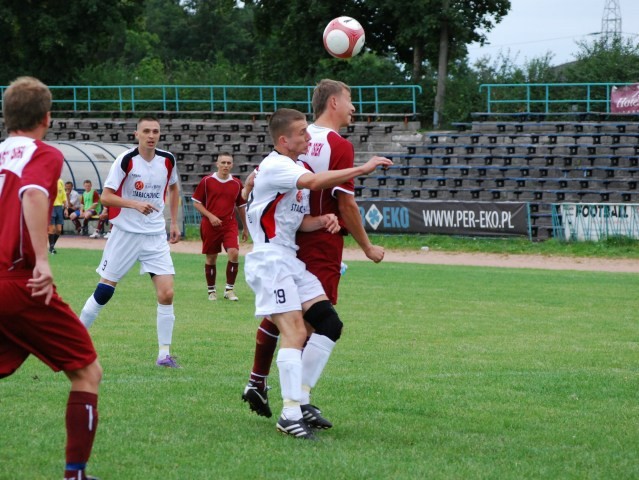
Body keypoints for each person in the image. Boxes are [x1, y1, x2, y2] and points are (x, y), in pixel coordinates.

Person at [242, 79, 388, 419]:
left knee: (311, 320)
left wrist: (321, 219)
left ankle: (260, 382)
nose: (354, 106)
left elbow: (278, 190)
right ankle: (295, 405)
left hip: (296, 242)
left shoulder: (300, 151)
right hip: (299, 250)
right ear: (334, 102)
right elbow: (343, 200)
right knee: (303, 327)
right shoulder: (333, 146)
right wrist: (365, 245)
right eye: (350, 98)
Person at [0, 76, 102, 480]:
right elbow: (35, 195)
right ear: (46, 117)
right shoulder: (42, 154)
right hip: (20, 282)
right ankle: (75, 475)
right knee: (86, 371)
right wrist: (42, 259)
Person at [79, 116, 182, 368]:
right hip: (125, 233)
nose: (151, 135)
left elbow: (175, 188)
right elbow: (105, 197)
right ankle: (75, 339)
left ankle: (164, 355)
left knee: (167, 293)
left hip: (155, 235)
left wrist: (175, 222)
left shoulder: (167, 160)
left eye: (155, 131)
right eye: (146, 131)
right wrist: (134, 203)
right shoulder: (125, 160)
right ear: (136, 134)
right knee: (104, 291)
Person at [191, 152, 248, 301]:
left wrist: (246, 228)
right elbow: (196, 202)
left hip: (229, 224)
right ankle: (212, 291)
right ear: (217, 164)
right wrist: (210, 216)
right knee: (211, 258)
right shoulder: (207, 181)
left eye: (229, 163)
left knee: (234, 253)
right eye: (223, 162)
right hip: (210, 225)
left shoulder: (236, 183)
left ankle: (229, 290)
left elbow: (241, 206)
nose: (226, 165)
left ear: (232, 165)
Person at [48, 177, 67, 254]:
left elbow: (63, 194)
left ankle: (51, 246)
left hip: (59, 207)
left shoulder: (60, 181)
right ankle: (52, 248)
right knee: (52, 229)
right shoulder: (48, 180)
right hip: (50, 206)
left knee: (59, 230)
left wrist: (66, 208)